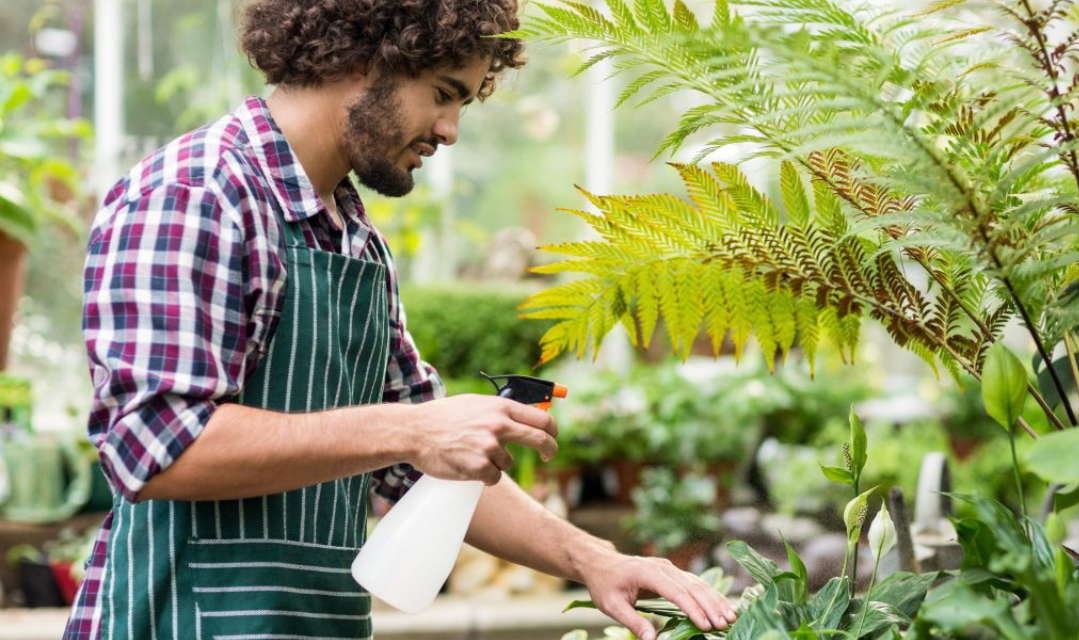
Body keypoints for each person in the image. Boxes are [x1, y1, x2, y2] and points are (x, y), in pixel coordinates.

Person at [64, 1, 736, 638]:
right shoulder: (195, 194)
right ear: (360, 55)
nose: (450, 130)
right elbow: (155, 447)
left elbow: (418, 467)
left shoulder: (354, 238)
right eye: (443, 93)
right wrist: (413, 428)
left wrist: (595, 559)